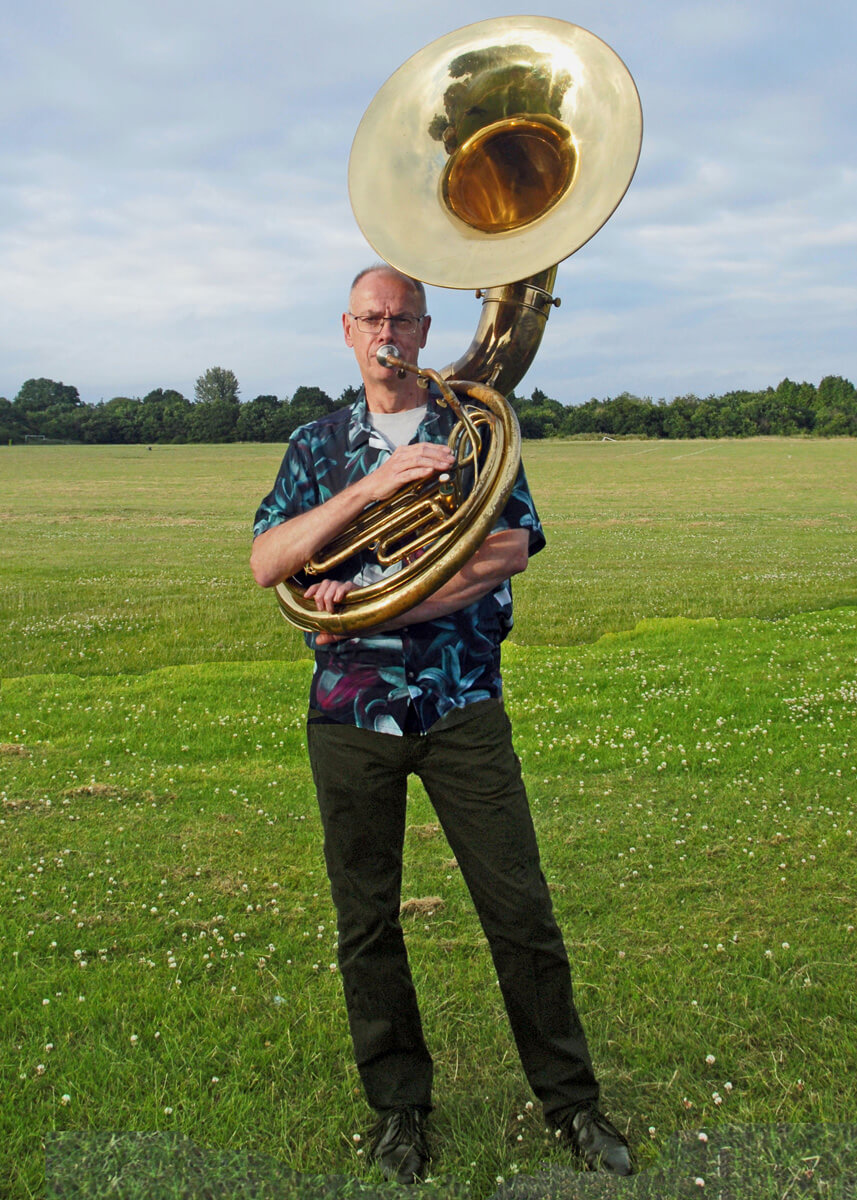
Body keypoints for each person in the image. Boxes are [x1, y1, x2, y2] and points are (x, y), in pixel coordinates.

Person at [251, 265, 632, 1183]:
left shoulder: (473, 428)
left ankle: (572, 1105)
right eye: (371, 317)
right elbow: (269, 560)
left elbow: (510, 546)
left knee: (519, 909)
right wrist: (371, 489)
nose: (387, 332)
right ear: (348, 330)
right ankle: (398, 1112)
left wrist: (376, 603)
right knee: (367, 922)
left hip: (462, 704)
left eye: (403, 318)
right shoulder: (314, 444)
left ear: (425, 330)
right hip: (351, 714)